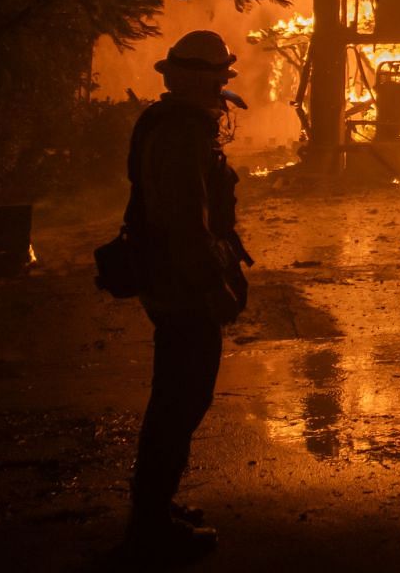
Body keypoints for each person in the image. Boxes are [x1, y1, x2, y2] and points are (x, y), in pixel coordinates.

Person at [125, 29, 250, 563]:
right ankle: (149, 524)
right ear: (204, 83)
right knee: (180, 401)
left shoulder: (173, 126)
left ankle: (158, 506)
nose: (224, 98)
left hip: (175, 282)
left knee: (179, 399)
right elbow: (185, 221)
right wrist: (212, 285)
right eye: (220, 79)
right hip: (184, 289)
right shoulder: (182, 136)